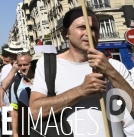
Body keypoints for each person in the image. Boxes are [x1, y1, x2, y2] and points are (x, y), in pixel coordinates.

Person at [29, 7, 134, 136]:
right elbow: (35, 111)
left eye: (94, 28)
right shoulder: (49, 65)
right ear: (65, 33)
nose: (89, 33)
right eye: (82, 27)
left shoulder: (115, 66)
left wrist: (110, 72)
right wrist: (81, 91)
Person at [7, 52, 33, 137]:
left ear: (31, 64)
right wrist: (14, 133)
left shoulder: (42, 82)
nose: (23, 68)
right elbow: (14, 110)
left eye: (25, 64)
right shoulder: (15, 85)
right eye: (20, 65)